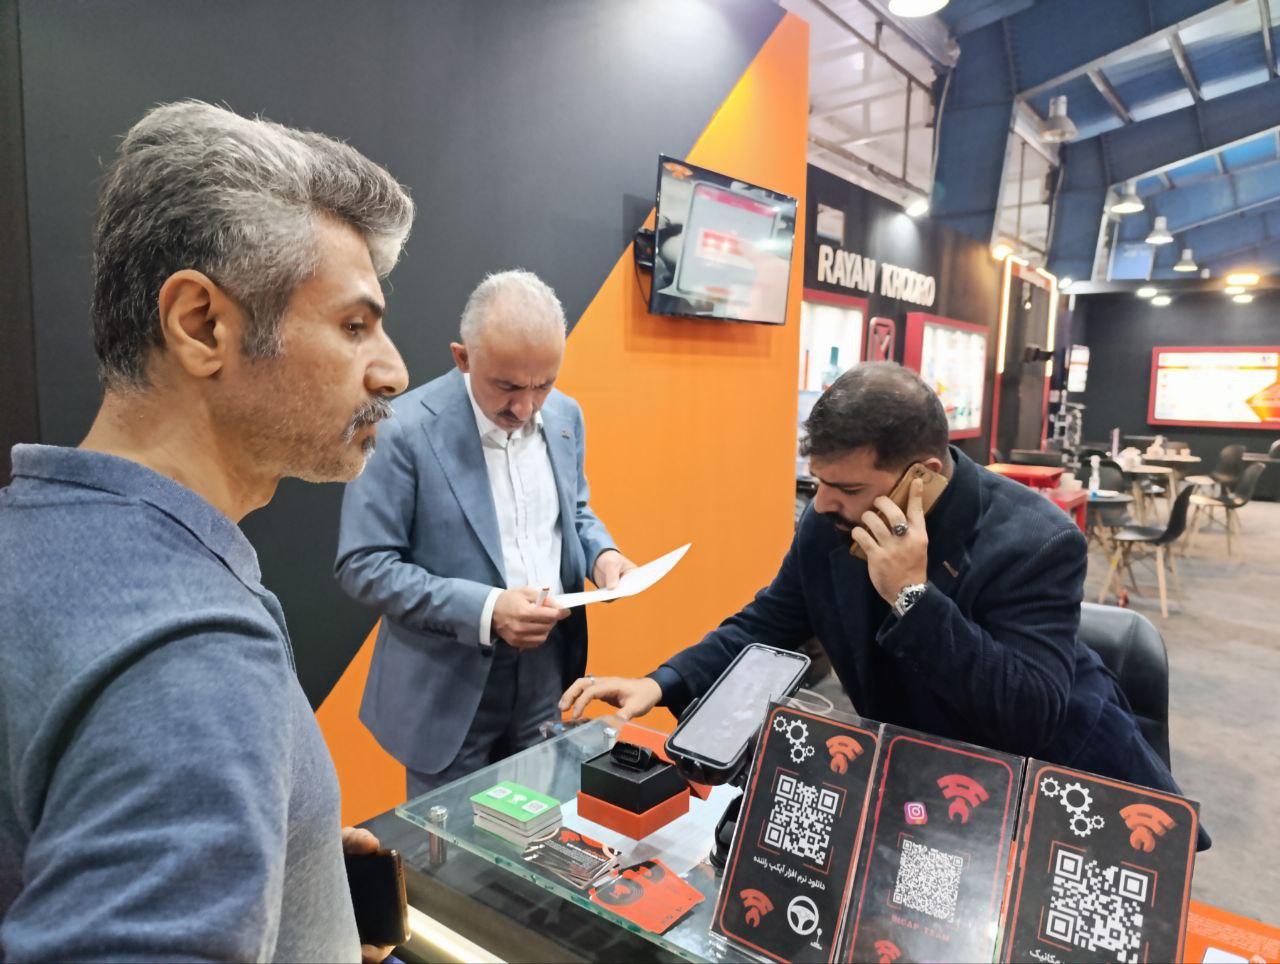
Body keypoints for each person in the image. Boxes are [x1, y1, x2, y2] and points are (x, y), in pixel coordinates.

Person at [1, 101, 415, 961]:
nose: (392, 370)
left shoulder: (25, 541)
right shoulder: (193, 654)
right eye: (354, 325)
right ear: (202, 324)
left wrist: (290, 876)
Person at [561, 362, 1207, 847]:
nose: (822, 504)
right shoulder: (829, 522)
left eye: (845, 487)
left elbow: (1027, 715)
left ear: (922, 476)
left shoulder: (1037, 542)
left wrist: (912, 597)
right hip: (921, 779)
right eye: (816, 482)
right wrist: (661, 681)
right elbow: (768, 623)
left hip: (1060, 792)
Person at [336, 269, 634, 798]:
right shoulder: (400, 430)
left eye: (543, 384)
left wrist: (602, 554)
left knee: (542, 826)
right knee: (446, 842)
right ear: (463, 357)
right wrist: (489, 609)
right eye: (508, 386)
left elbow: (573, 512)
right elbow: (364, 565)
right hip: (446, 685)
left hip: (547, 670)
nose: (525, 408)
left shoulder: (565, 416)